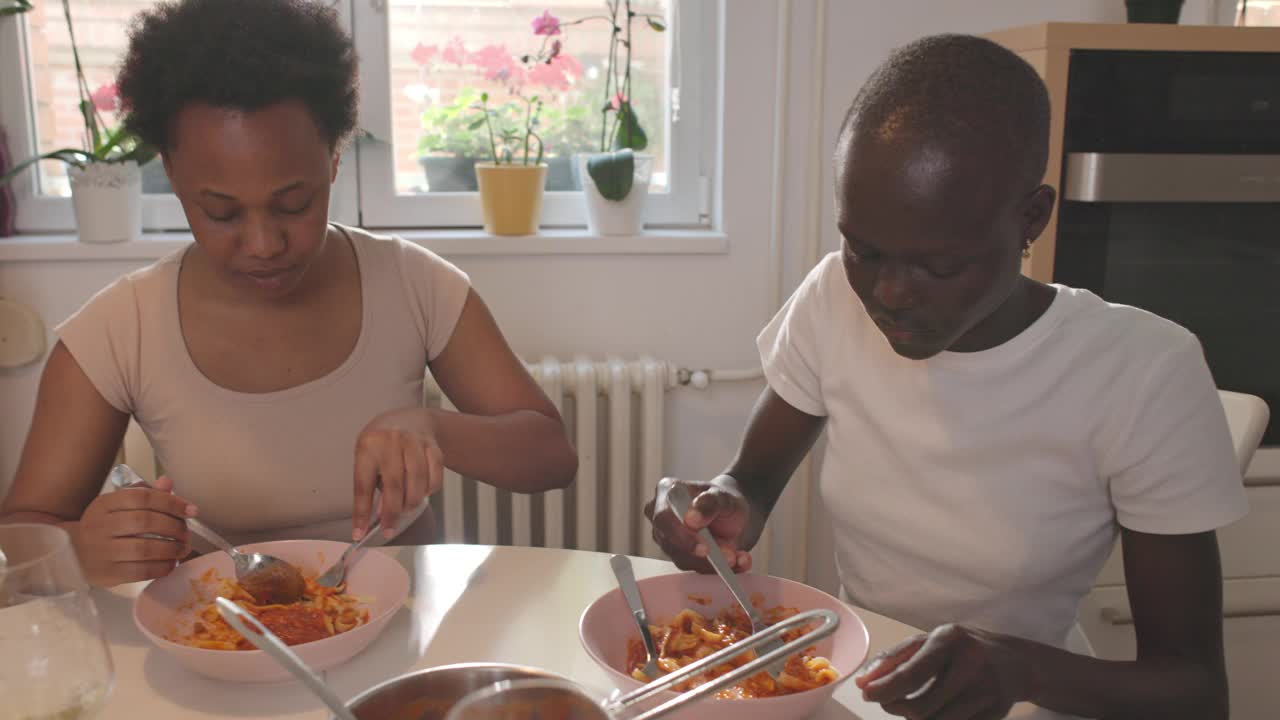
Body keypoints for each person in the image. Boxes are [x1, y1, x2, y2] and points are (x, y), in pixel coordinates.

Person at [647, 34, 1245, 720]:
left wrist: (1022, 673)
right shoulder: (832, 301)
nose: (890, 294)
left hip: (1028, 703)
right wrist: (716, 510)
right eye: (862, 250)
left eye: (939, 265)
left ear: (1031, 219)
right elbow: (749, 485)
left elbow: (1198, 691)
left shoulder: (1142, 371)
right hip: (864, 691)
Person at [0, 0, 576, 588]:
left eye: (292, 204)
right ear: (171, 174)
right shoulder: (121, 328)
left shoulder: (413, 283)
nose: (263, 243)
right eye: (221, 212)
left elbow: (552, 454)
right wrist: (81, 547)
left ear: (333, 158)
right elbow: (21, 532)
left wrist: (436, 429)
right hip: (221, 643)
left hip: (404, 633)